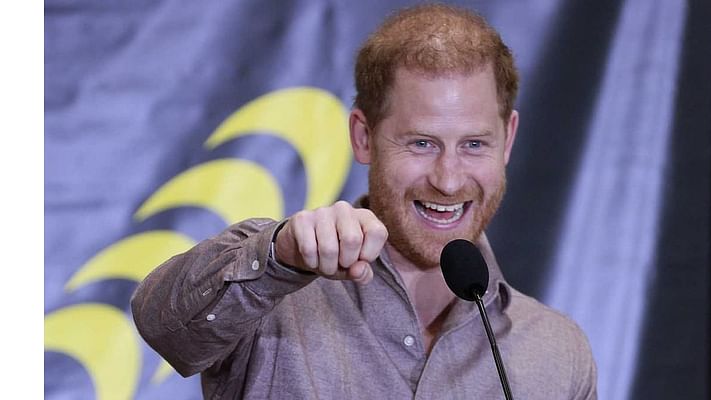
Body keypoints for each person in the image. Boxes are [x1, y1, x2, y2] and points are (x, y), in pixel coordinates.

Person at [132, 4, 597, 399]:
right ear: (364, 137)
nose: (450, 180)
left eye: (474, 144)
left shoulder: (559, 353)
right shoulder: (272, 290)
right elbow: (161, 324)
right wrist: (279, 256)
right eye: (421, 144)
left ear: (508, 139)